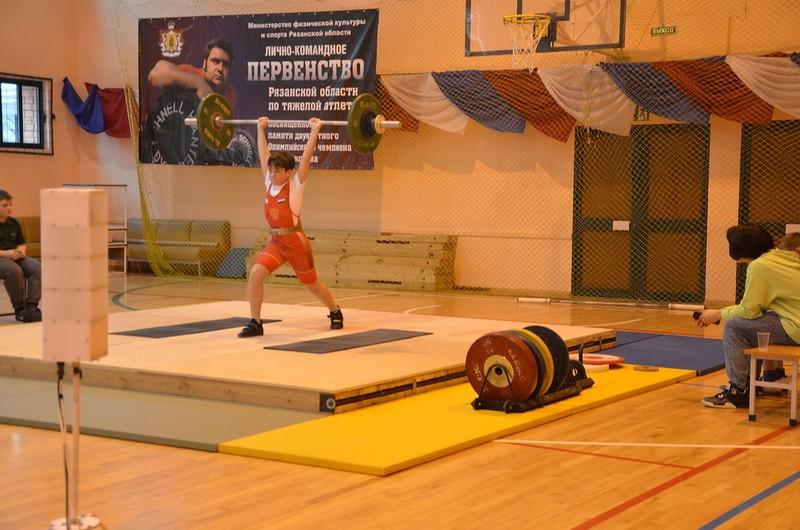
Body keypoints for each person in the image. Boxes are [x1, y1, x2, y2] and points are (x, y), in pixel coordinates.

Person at [237, 117, 343, 338]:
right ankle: (255, 322)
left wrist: (315, 131)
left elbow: (306, 159)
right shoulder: (269, 182)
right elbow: (263, 153)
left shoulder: (295, 187)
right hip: (276, 242)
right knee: (256, 273)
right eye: (271, 170)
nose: (272, 174)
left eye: (277, 171)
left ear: (288, 172)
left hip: (296, 244)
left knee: (312, 285)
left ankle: (334, 310)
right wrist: (259, 128)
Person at [697, 225, 800, 408]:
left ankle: (738, 391)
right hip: (794, 321)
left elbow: (749, 310)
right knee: (753, 322)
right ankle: (756, 382)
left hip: (796, 328)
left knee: (735, 327)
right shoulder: (779, 257)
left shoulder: (760, 266)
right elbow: (759, 308)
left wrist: (718, 313)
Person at [148, 37, 236, 104]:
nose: (220, 68)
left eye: (225, 64)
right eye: (215, 61)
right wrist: (198, 82)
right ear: (204, 63)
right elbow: (154, 75)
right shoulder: (190, 72)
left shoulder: (229, 94)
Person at [0, 190, 42, 323]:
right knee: (14, 271)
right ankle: (20, 309)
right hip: (2, 257)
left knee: (38, 268)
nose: (9, 208)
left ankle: (32, 307)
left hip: (15, 256)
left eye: (10, 205)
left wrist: (21, 251)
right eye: (5, 205)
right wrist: (6, 254)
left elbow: (21, 243)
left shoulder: (14, 223)